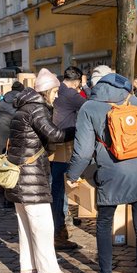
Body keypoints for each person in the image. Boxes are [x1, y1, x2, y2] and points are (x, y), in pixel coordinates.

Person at [67, 73, 137, 273]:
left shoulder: (89, 107)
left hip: (111, 173)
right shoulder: (134, 101)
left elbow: (83, 151)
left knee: (104, 223)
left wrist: (72, 175)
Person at [5, 68, 76, 273]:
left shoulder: (22, 108)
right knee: (43, 225)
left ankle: (28, 267)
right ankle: (50, 271)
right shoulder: (36, 109)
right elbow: (53, 134)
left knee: (26, 226)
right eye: (55, 92)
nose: (56, 96)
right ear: (47, 91)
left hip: (19, 175)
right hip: (32, 177)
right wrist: (76, 130)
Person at [51, 66, 86, 250]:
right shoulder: (71, 94)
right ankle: (59, 233)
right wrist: (85, 89)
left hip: (51, 147)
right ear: (77, 81)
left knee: (56, 189)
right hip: (62, 146)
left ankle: (58, 229)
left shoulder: (56, 92)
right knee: (58, 190)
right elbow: (88, 106)